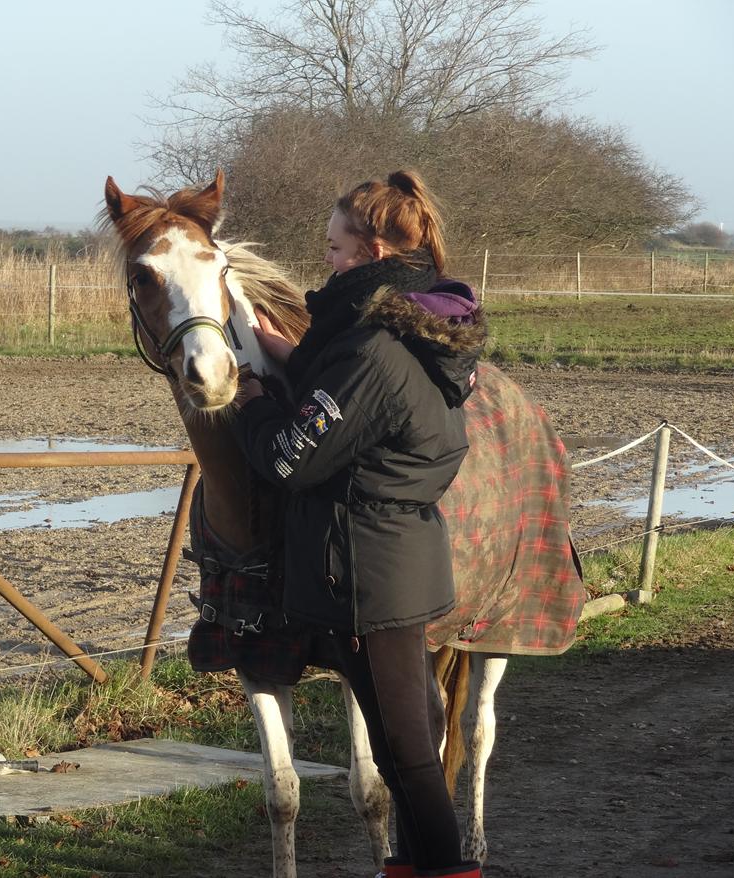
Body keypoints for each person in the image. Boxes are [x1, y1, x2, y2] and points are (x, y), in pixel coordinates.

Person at [232, 170, 487, 878]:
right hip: (397, 559)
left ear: (373, 254)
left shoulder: (371, 354)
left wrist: (252, 399)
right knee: (408, 749)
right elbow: (349, 394)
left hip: (366, 575)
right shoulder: (411, 335)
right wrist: (294, 357)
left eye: (337, 251)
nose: (329, 264)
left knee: (407, 760)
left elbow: (289, 459)